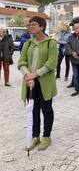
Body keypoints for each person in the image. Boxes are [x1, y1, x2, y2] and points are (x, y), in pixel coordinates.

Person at [18, 16, 58, 151]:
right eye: (29, 25)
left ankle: (47, 136)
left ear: (42, 27)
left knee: (46, 109)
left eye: (34, 24)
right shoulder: (28, 44)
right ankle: (35, 136)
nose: (30, 27)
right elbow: (21, 62)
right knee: (33, 109)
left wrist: (35, 74)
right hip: (30, 82)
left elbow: (51, 63)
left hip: (44, 83)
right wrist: (27, 75)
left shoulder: (50, 43)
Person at [65, 23, 79, 97]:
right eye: (75, 28)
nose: (76, 29)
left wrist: (77, 53)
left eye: (77, 28)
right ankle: (76, 89)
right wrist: (72, 53)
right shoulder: (71, 37)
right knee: (75, 75)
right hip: (74, 59)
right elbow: (67, 45)